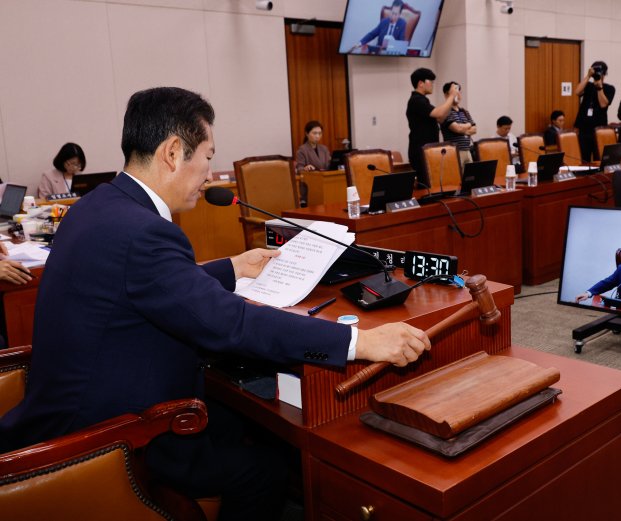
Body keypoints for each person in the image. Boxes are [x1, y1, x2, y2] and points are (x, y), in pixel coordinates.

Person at [0, 87, 430, 520]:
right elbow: (232, 323)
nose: (209, 174)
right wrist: (359, 341)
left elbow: (145, 288)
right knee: (265, 467)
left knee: (246, 421)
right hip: (111, 437)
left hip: (77, 402)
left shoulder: (100, 206)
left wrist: (232, 268)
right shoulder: (145, 233)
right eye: (207, 156)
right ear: (172, 152)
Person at [406, 68, 458, 187]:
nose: (433, 85)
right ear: (421, 83)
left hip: (428, 150)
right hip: (420, 151)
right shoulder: (416, 100)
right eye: (431, 81)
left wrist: (451, 102)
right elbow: (438, 113)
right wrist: (451, 96)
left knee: (433, 184)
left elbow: (440, 118)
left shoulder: (424, 100)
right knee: (426, 186)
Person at [574, 61, 615, 161]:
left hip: (599, 129)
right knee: (584, 158)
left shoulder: (609, 88)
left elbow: (603, 104)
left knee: (599, 157)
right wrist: (588, 76)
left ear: (604, 74)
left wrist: (599, 87)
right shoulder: (588, 85)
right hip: (584, 129)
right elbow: (577, 92)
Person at [440, 82, 477, 167]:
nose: (458, 94)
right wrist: (468, 125)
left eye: (459, 91)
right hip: (454, 151)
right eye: (455, 91)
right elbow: (456, 128)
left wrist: (462, 129)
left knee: (470, 178)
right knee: (458, 178)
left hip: (467, 150)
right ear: (446, 94)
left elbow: (474, 129)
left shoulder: (464, 111)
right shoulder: (445, 111)